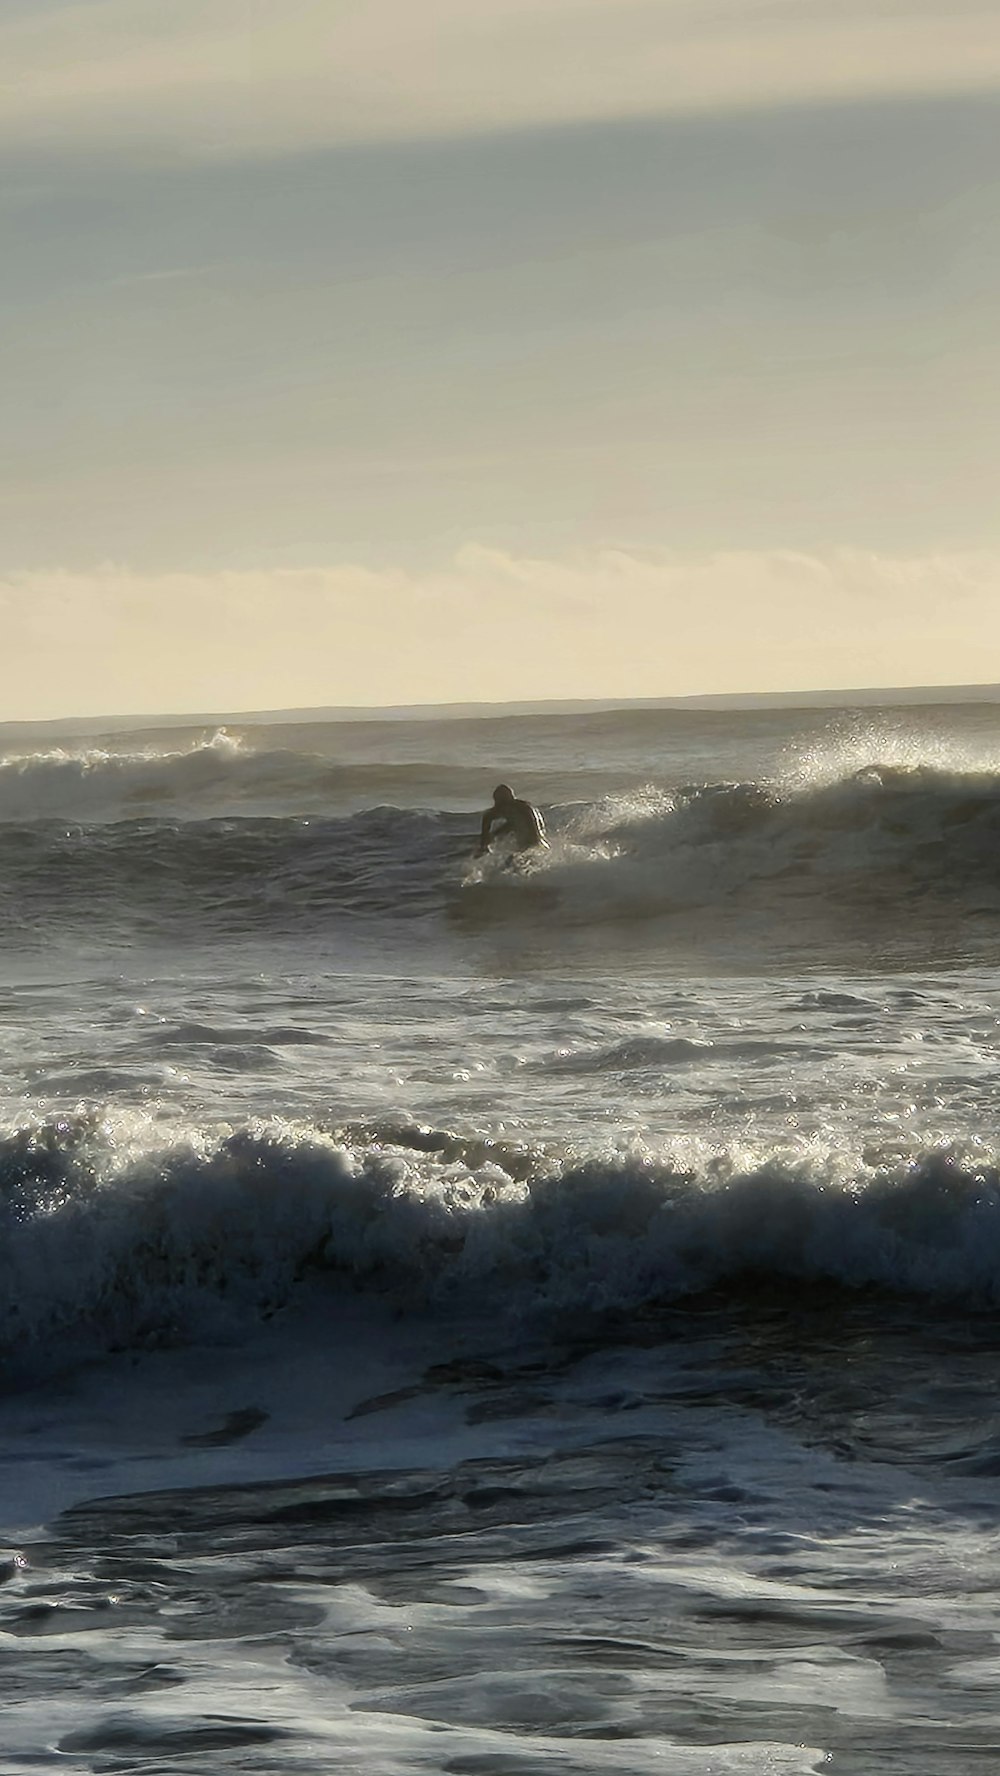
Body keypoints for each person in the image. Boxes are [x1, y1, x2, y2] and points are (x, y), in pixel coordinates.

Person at [478, 783, 547, 856]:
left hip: (536, 842)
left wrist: (535, 840)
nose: (498, 806)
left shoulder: (523, 808)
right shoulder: (505, 808)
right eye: (497, 802)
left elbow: (534, 825)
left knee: (515, 861)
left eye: (500, 802)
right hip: (528, 842)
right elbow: (488, 817)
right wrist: (485, 843)